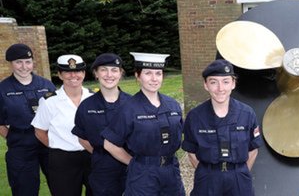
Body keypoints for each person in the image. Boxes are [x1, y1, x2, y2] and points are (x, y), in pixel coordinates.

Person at [102, 52, 185, 195]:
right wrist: (134, 163)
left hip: (171, 172)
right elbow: (109, 144)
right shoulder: (128, 108)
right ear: (137, 76)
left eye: (158, 74)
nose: (154, 79)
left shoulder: (173, 105)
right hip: (143, 175)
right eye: (148, 73)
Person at [182, 59, 262, 196]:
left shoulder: (247, 113)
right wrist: (210, 172)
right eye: (214, 82)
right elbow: (191, 152)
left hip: (239, 179)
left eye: (226, 81)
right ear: (206, 85)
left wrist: (238, 172)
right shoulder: (195, 116)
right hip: (207, 179)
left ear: (233, 84)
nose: (220, 88)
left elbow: (253, 149)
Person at [31, 54, 94, 195]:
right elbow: (39, 132)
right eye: (67, 71)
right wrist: (58, 145)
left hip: (92, 156)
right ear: (59, 75)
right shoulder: (49, 102)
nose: (73, 75)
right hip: (63, 160)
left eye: (78, 71)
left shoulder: (94, 97)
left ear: (83, 73)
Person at [71, 53, 132, 195]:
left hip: (131, 167)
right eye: (104, 69)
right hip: (103, 170)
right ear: (96, 74)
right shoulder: (86, 106)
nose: (109, 75)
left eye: (114, 70)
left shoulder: (133, 103)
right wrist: (103, 155)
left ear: (121, 73)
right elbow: (82, 137)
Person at [0, 43, 55, 196]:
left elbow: (57, 113)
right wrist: (14, 137)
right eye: (19, 62)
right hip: (21, 145)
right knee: (24, 189)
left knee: (61, 185)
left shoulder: (46, 85)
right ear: (10, 63)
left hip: (48, 141)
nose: (24, 66)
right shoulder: (3, 89)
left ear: (32, 63)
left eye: (28, 62)